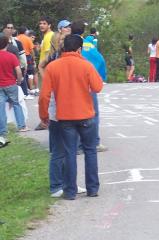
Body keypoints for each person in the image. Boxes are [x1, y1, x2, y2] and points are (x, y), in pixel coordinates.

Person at [39, 34, 103, 200]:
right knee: (90, 151)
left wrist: (44, 115)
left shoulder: (53, 67)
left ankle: (70, 191)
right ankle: (92, 188)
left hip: (65, 117)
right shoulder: (86, 65)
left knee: (69, 152)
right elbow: (97, 87)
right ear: (79, 49)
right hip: (86, 116)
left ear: (64, 47)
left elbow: (44, 96)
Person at [71, 21, 107, 153]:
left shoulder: (66, 43)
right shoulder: (87, 44)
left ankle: (76, 144)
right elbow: (100, 60)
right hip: (87, 83)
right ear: (83, 31)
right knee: (93, 113)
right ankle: (94, 142)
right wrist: (101, 77)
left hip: (71, 84)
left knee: (74, 113)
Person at [0, 35, 27, 140]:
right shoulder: (11, 56)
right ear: (7, 44)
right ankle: (21, 126)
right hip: (11, 83)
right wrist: (19, 80)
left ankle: (3, 130)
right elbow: (18, 71)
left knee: (1, 108)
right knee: (16, 104)